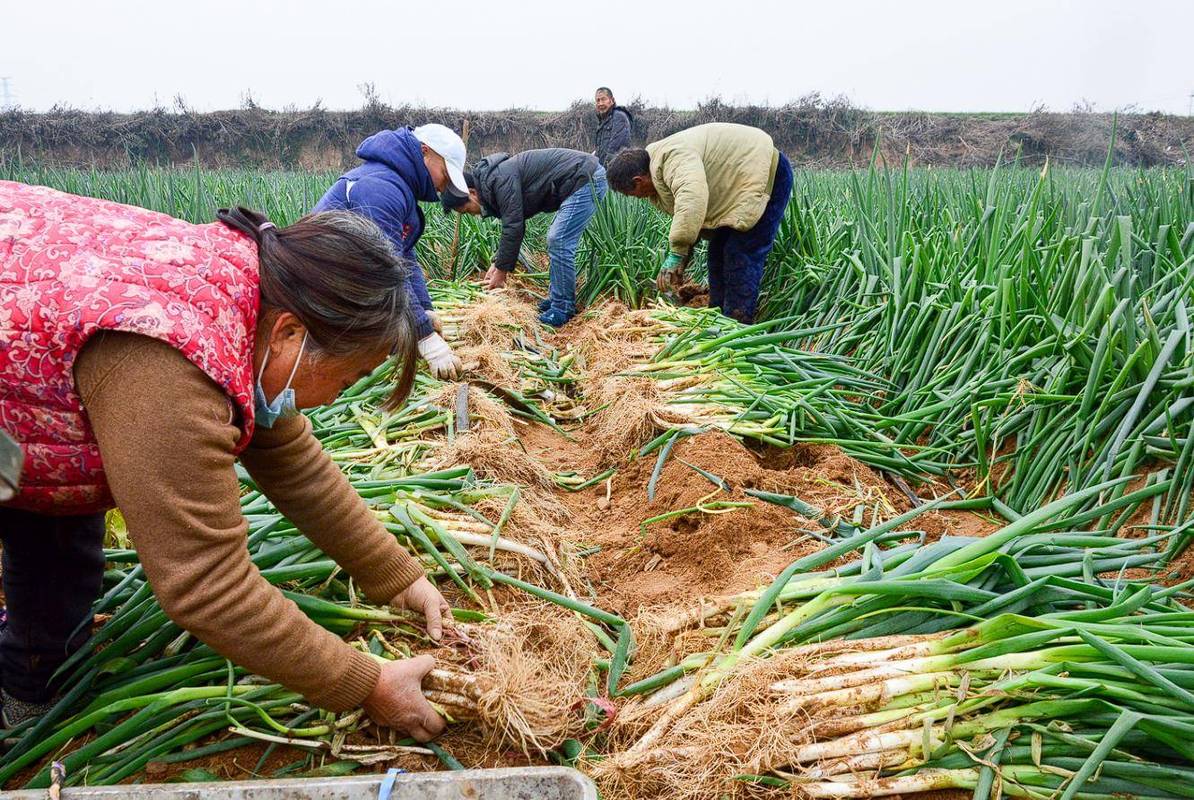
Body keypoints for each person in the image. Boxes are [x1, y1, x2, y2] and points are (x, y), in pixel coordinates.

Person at [0, 180, 450, 742]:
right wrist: (367, 684)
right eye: (350, 377)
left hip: (32, 369)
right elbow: (207, 584)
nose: (338, 395)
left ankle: (33, 682)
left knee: (62, 518)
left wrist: (395, 576)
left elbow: (290, 458)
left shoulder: (249, 298)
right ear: (291, 333)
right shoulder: (170, 369)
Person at [315, 123, 468, 380]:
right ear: (425, 151)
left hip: (346, 286)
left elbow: (405, 257)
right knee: (368, 354)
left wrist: (426, 312)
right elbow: (386, 270)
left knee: (392, 338)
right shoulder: (380, 188)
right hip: (324, 292)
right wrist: (426, 338)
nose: (444, 186)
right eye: (445, 173)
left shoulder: (397, 185)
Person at [606, 122, 793, 324]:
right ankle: (718, 318)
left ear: (638, 180)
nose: (635, 198)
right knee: (717, 253)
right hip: (735, 189)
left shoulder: (672, 157)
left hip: (766, 174)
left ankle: (737, 325)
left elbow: (691, 199)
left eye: (630, 194)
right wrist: (684, 258)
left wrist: (677, 252)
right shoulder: (655, 173)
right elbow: (692, 218)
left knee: (740, 252)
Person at [444, 149, 607, 327]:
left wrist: (501, 272)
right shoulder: (493, 182)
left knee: (558, 239)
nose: (473, 214)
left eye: (467, 210)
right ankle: (557, 299)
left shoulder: (500, 179)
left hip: (585, 178)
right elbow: (512, 224)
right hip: (577, 179)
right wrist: (498, 262)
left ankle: (563, 307)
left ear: (472, 193)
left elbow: (514, 226)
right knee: (557, 239)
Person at [594, 87, 633, 168]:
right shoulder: (603, 121)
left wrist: (603, 172)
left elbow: (617, 149)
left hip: (614, 171)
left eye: (603, 99)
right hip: (602, 170)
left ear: (612, 100)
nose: (600, 103)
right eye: (598, 100)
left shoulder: (619, 116)